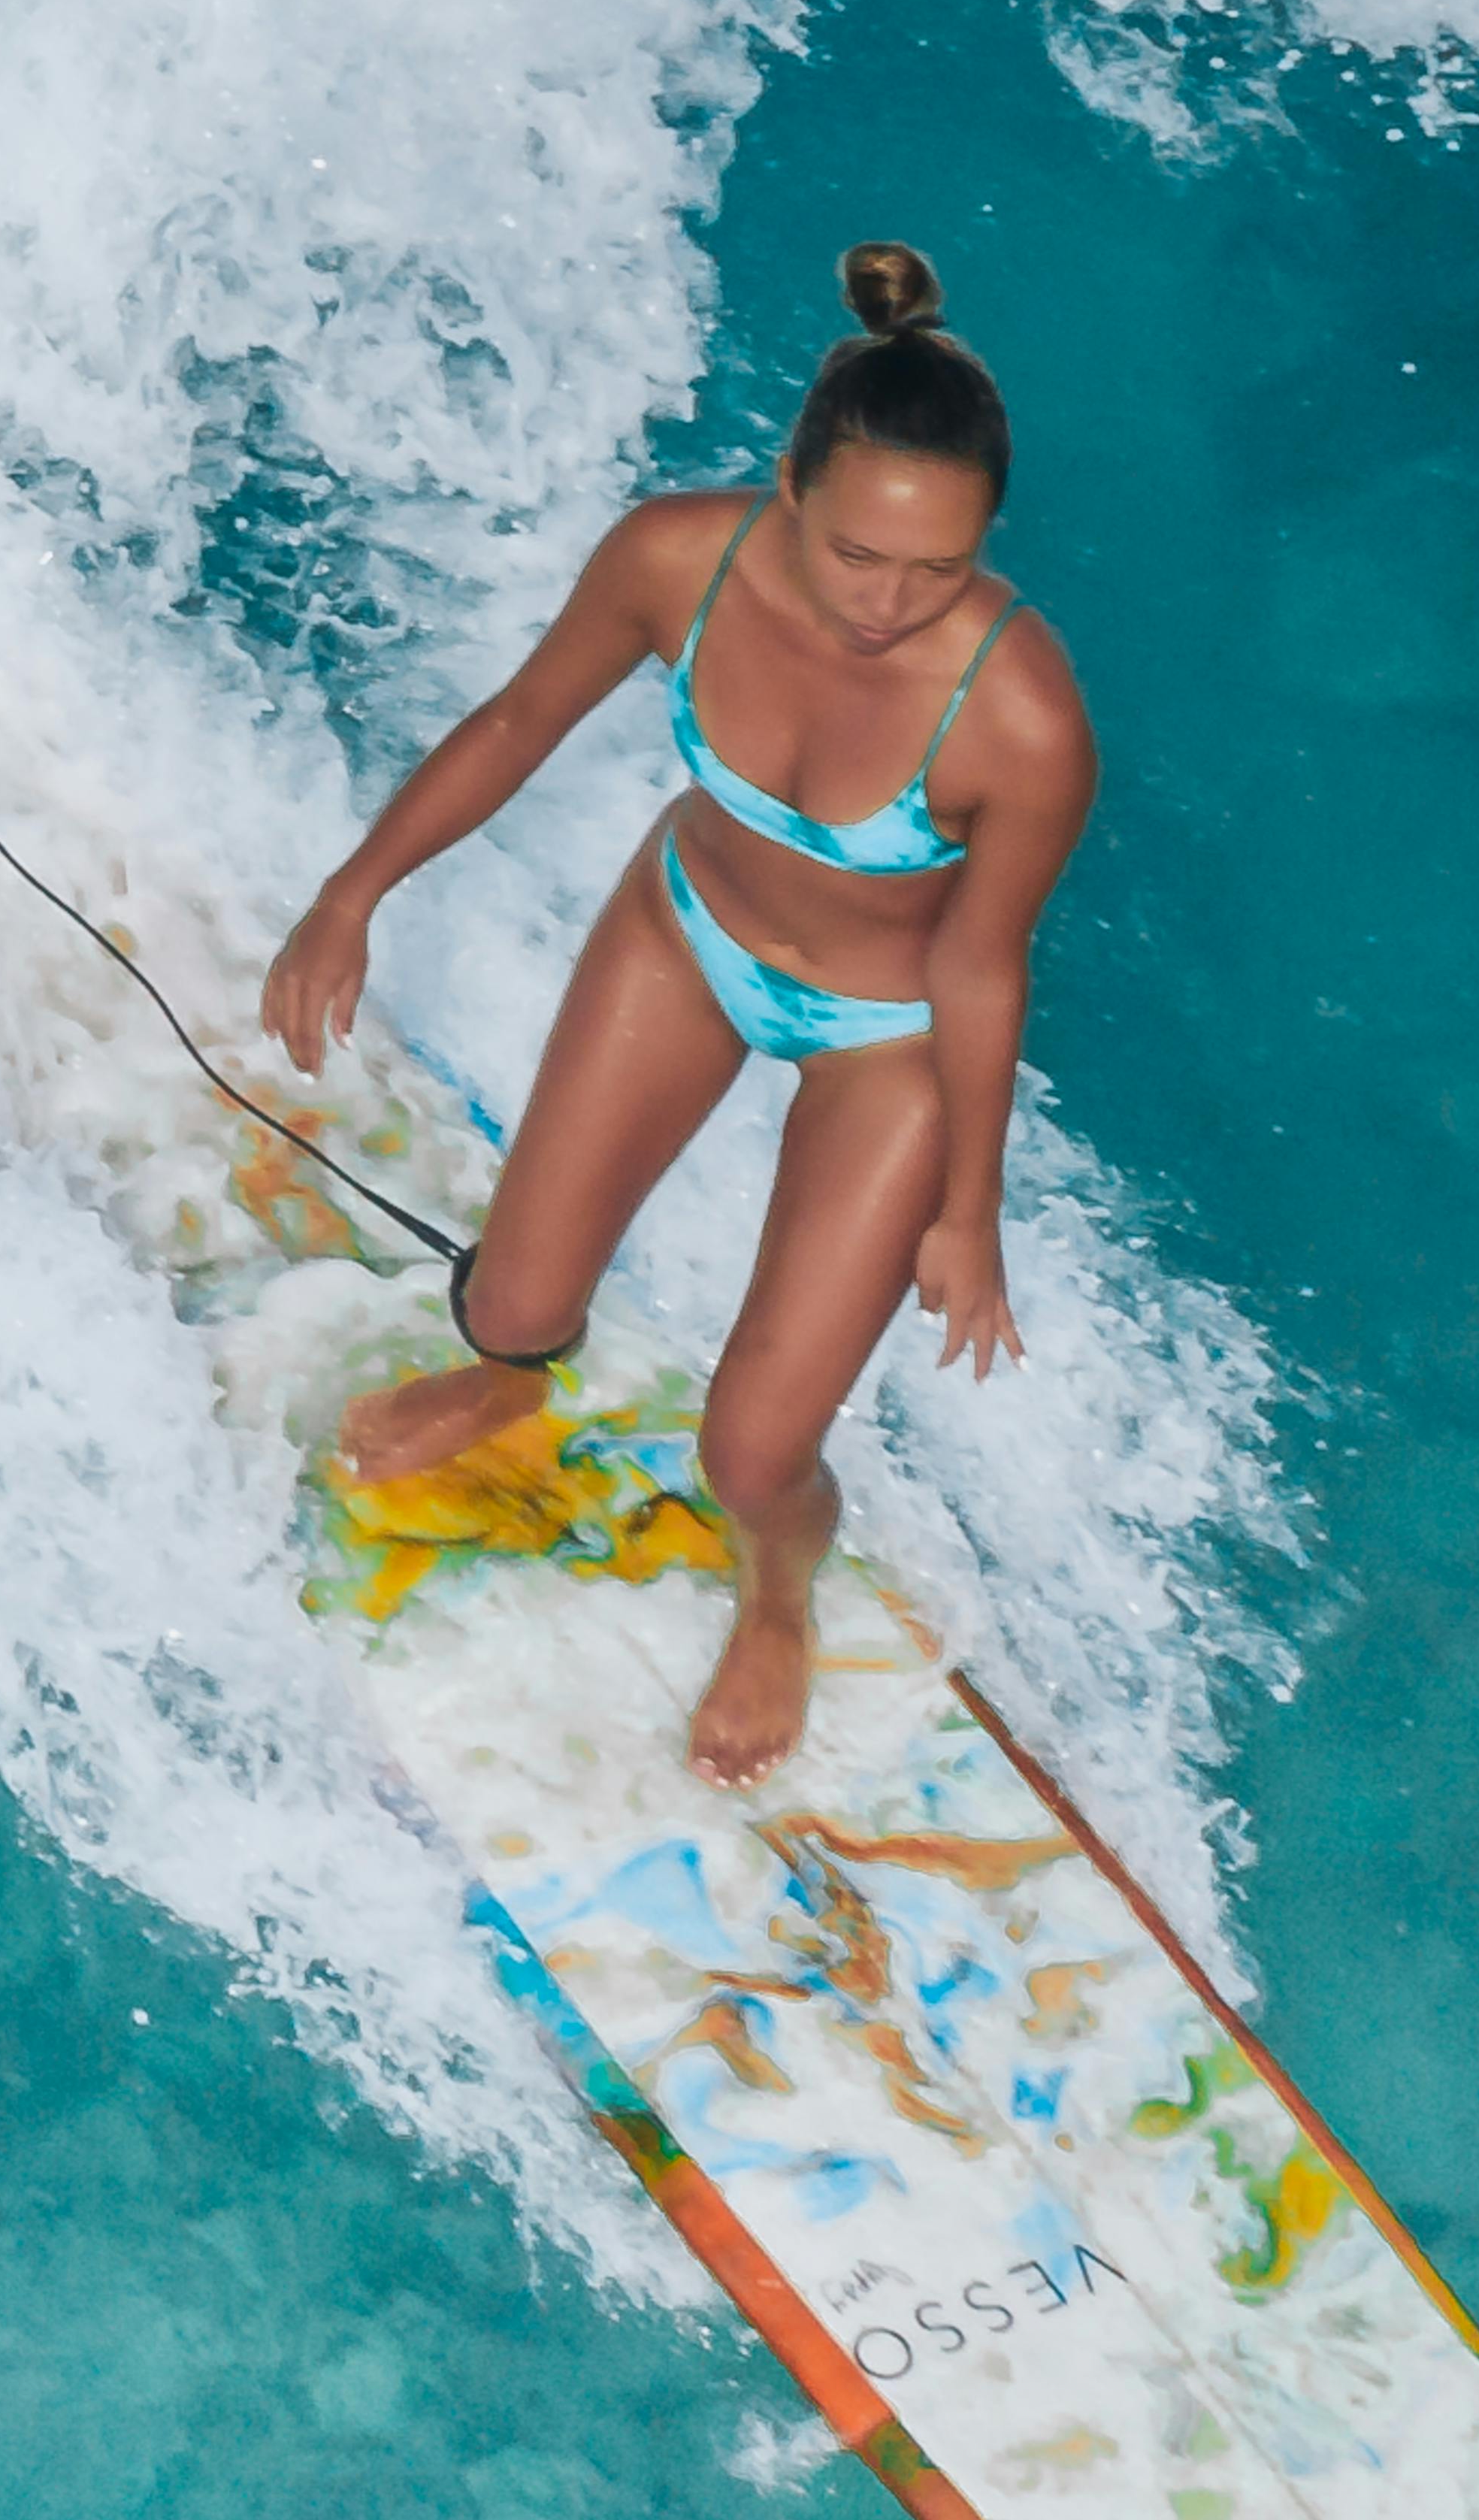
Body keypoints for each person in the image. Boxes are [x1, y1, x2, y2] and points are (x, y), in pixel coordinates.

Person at [258, 246, 1096, 1786]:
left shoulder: (1021, 715)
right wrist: (351, 890)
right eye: (857, 555)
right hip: (687, 934)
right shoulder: (675, 561)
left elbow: (983, 965)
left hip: (886, 1040)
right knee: (507, 1305)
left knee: (754, 1450)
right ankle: (510, 1378)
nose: (888, 603)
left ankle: (778, 1592)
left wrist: (967, 1208)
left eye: (938, 570)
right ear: (788, 480)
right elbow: (519, 721)